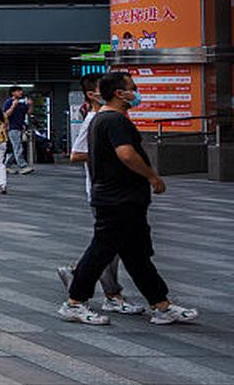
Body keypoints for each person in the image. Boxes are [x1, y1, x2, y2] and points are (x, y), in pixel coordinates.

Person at [61, 71, 197, 326]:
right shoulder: (113, 120)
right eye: (132, 88)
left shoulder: (101, 119)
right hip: (118, 198)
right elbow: (126, 154)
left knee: (135, 254)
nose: (135, 93)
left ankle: (161, 304)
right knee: (102, 250)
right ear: (118, 93)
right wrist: (152, 177)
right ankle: (75, 302)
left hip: (119, 197)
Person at [56, 74, 132, 314]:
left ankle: (101, 287)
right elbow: (76, 155)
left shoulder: (108, 117)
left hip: (114, 191)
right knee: (110, 243)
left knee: (112, 243)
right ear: (92, 94)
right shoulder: (94, 120)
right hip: (103, 191)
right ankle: (108, 292)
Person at [4, 86, 35, 174]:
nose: (20, 93)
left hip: (20, 127)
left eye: (21, 91)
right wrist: (13, 106)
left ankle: (6, 165)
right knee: (18, 147)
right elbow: (6, 114)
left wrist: (30, 105)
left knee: (15, 147)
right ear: (13, 93)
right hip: (12, 128)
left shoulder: (22, 103)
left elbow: (29, 112)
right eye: (18, 91)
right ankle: (23, 166)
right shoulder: (8, 102)